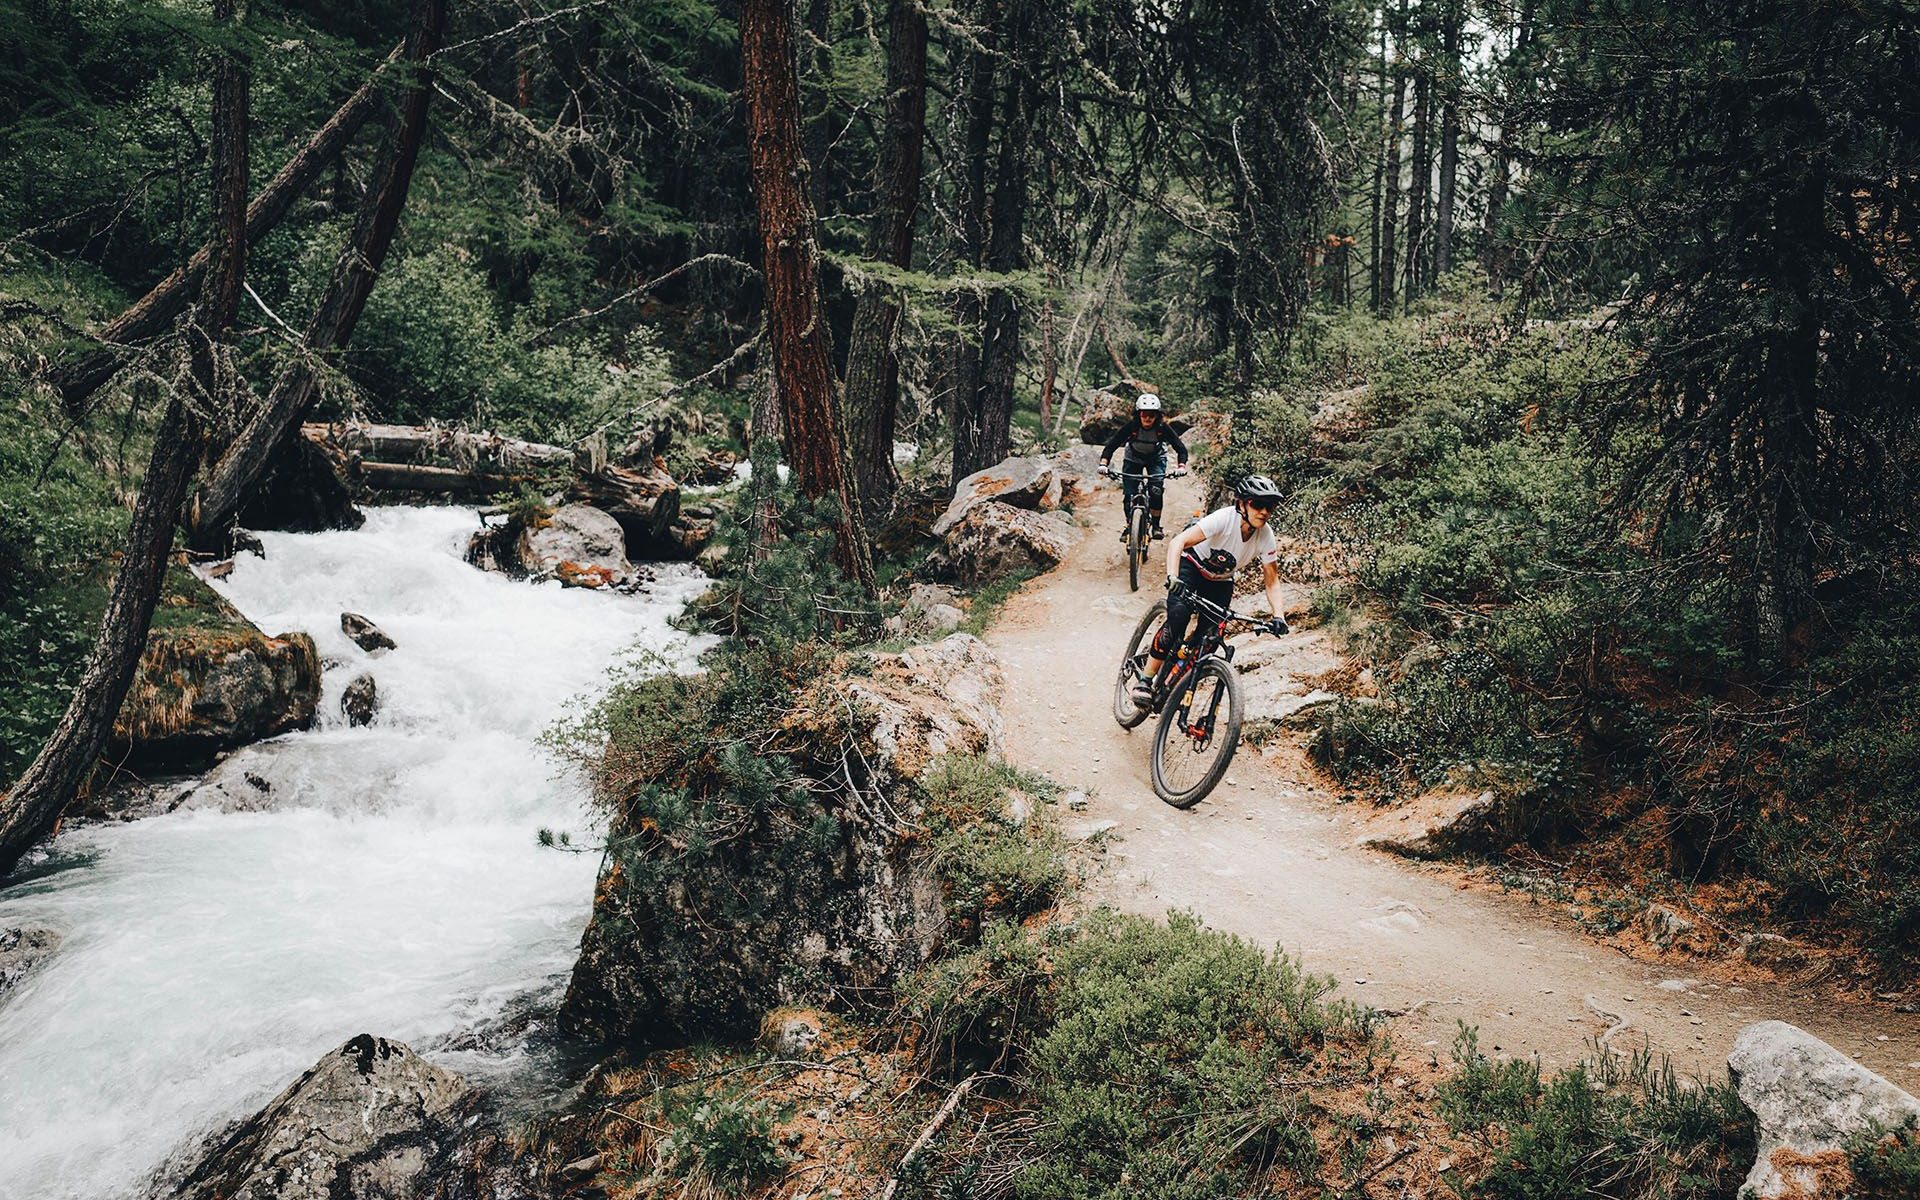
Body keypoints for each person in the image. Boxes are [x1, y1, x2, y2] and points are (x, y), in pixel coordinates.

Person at [1131, 475, 1290, 708]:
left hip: (1220, 581)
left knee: (1210, 640)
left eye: (1270, 506)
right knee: (1179, 617)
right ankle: (1145, 680)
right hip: (1191, 567)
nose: (1264, 512)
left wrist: (1279, 616)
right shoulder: (1224, 519)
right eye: (1258, 504)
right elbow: (1178, 542)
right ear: (1242, 503)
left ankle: (1172, 687)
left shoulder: (1266, 536)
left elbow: (1272, 581)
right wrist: (1173, 577)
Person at [1099, 394, 1189, 539]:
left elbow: (1181, 448)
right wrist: (1104, 464)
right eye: (1144, 414)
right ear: (1138, 414)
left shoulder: (1162, 428)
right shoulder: (1131, 426)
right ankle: (1130, 526)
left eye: (1152, 415)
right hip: (1133, 458)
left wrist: (1181, 466)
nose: (1148, 418)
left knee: (1156, 491)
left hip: (1156, 458)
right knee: (1129, 494)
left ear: (1157, 416)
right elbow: (1112, 445)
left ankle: (1156, 526)